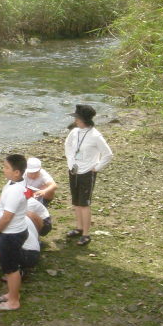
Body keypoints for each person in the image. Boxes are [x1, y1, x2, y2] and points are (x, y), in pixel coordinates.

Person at [64, 104, 113, 247]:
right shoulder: (75, 132)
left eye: (77, 118)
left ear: (84, 119)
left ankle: (86, 234)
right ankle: (79, 228)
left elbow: (108, 154)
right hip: (74, 170)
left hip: (87, 172)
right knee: (76, 201)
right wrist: (70, 161)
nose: (75, 121)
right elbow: (67, 146)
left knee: (84, 203)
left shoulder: (95, 136)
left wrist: (96, 168)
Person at [0, 154, 29, 312]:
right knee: (11, 267)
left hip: (11, 234)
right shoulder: (14, 183)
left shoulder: (15, 191)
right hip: (13, 232)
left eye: (6, 167)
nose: (3, 170)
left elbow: (7, 216)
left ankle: (13, 302)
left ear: (17, 172)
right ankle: (12, 294)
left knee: (11, 270)